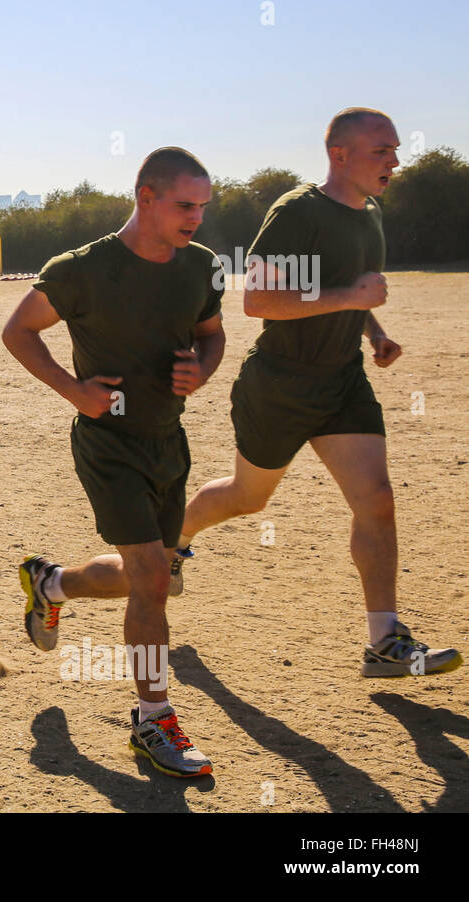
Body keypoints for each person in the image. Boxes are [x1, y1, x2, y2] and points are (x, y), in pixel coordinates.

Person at [177, 108, 462, 679]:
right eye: (382, 151)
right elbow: (258, 300)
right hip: (281, 383)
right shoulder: (297, 212)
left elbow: (351, 295)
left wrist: (375, 333)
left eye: (395, 150)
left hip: (342, 382)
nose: (395, 161)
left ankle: (384, 640)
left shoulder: (371, 214)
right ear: (340, 155)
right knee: (246, 497)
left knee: (377, 499)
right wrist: (352, 296)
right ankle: (177, 537)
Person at [3, 147, 226, 778]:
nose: (197, 219)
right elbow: (18, 331)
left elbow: (212, 333)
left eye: (204, 207)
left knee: (151, 576)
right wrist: (74, 392)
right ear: (146, 198)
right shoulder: (83, 269)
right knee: (155, 575)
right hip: (108, 444)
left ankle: (53, 584)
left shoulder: (201, 267)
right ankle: (153, 722)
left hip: (169, 443)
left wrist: (201, 369)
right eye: (186, 205)